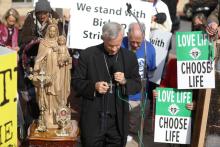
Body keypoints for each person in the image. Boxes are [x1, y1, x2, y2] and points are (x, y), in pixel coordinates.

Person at [72, 22, 141, 147]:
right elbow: (76, 82)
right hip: (93, 119)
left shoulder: (129, 57)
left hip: (117, 121)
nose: (114, 49)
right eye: (111, 45)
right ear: (103, 38)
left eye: (118, 45)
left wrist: (125, 81)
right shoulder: (88, 55)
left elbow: (137, 84)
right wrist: (94, 86)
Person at [121, 22, 156, 138]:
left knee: (132, 132)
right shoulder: (119, 44)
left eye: (139, 42)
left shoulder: (150, 49)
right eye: (132, 42)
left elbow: (151, 72)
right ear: (127, 35)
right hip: (120, 95)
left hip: (138, 98)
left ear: (144, 36)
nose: (135, 45)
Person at [32, 19, 62, 128]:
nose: (52, 33)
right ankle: (47, 116)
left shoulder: (60, 43)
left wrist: (59, 51)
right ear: (48, 31)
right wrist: (37, 66)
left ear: (57, 32)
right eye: (50, 31)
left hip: (57, 72)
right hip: (47, 72)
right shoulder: (43, 43)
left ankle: (57, 116)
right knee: (46, 93)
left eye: (54, 31)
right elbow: (39, 58)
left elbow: (66, 58)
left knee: (57, 92)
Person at [57, 35, 72, 105]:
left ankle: (63, 100)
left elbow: (68, 56)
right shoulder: (57, 48)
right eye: (60, 40)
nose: (61, 42)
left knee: (63, 81)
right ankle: (58, 99)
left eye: (63, 40)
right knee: (59, 81)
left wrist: (67, 59)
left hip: (64, 67)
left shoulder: (65, 48)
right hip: (58, 67)